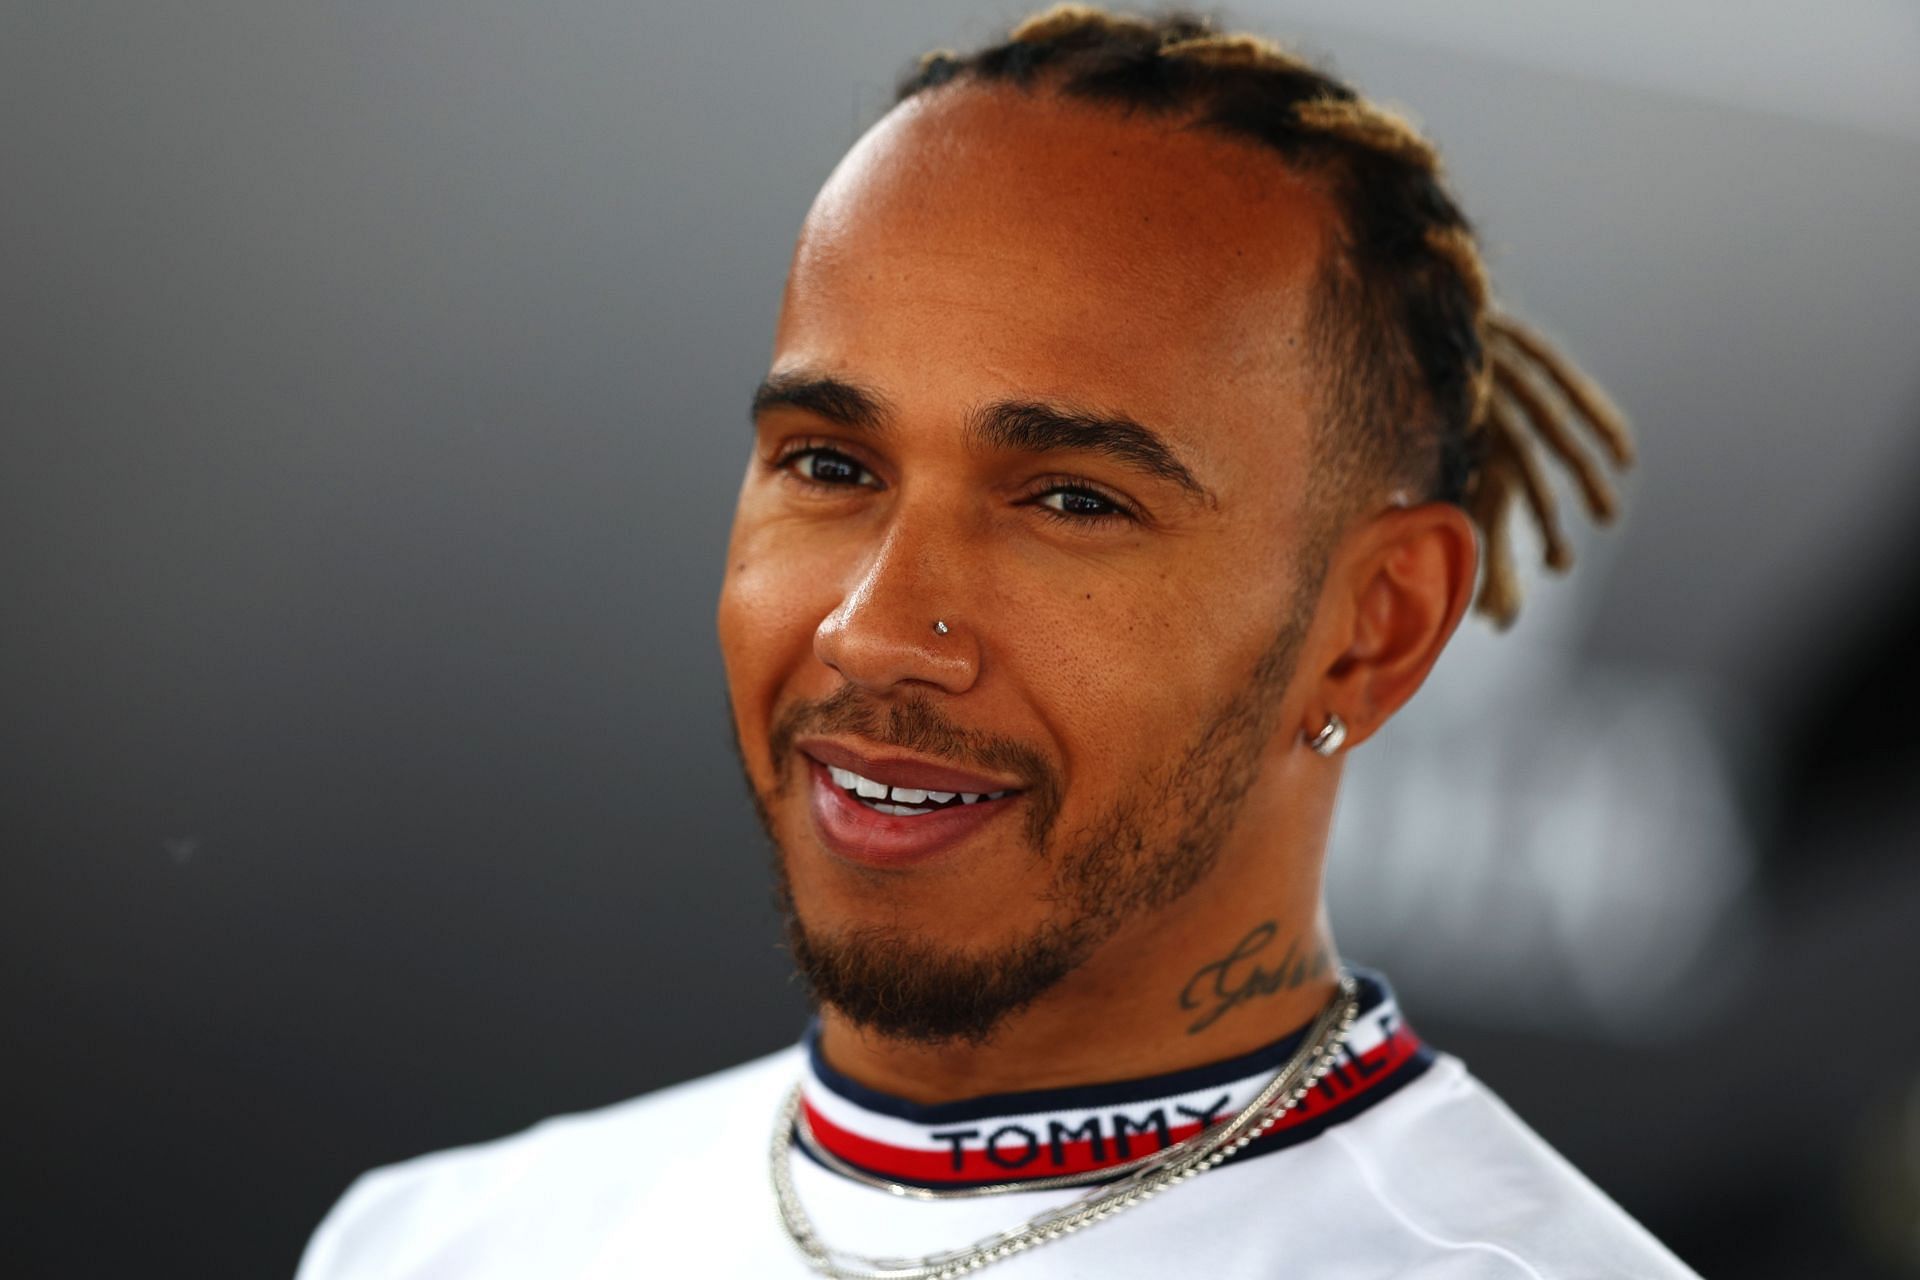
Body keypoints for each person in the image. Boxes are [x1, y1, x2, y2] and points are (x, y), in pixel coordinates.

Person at [297, 5, 1699, 1276]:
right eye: (831, 464)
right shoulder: (437, 1247)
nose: (878, 631)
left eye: (1072, 501)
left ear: (1371, 634)